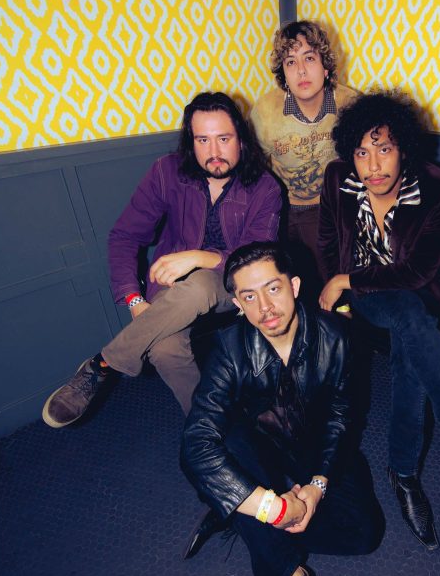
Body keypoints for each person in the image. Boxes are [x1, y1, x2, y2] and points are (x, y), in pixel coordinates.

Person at [180, 242, 384, 576]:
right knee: (223, 443)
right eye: (249, 296)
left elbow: (342, 418)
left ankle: (239, 514)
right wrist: (271, 508)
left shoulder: (338, 336)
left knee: (366, 535)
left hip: (315, 453)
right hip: (261, 454)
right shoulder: (228, 349)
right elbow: (195, 443)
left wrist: (316, 487)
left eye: (272, 289)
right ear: (237, 303)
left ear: (294, 286)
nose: (265, 308)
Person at [318, 91, 440, 550]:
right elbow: (327, 243)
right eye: (362, 152)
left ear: (404, 149)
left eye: (384, 149)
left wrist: (342, 279)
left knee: (409, 355)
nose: (373, 166)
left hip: (419, 294)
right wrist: (341, 290)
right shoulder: (338, 178)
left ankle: (402, 475)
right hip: (366, 299)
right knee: (408, 319)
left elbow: (417, 272)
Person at [42, 92, 281, 427]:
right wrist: (134, 299)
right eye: (203, 140)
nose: (214, 151)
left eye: (224, 138)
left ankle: (103, 365)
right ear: (191, 142)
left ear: (241, 139)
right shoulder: (167, 172)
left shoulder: (265, 187)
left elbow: (257, 258)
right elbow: (124, 236)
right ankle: (213, 428)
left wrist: (199, 257)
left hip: (236, 284)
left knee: (200, 284)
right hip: (171, 287)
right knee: (164, 349)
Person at [250, 20, 356, 298]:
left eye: (309, 58)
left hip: (330, 207)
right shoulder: (265, 112)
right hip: (281, 208)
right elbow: (253, 170)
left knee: (325, 277)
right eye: (290, 62)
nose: (301, 71)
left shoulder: (349, 104)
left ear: (325, 66)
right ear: (283, 73)